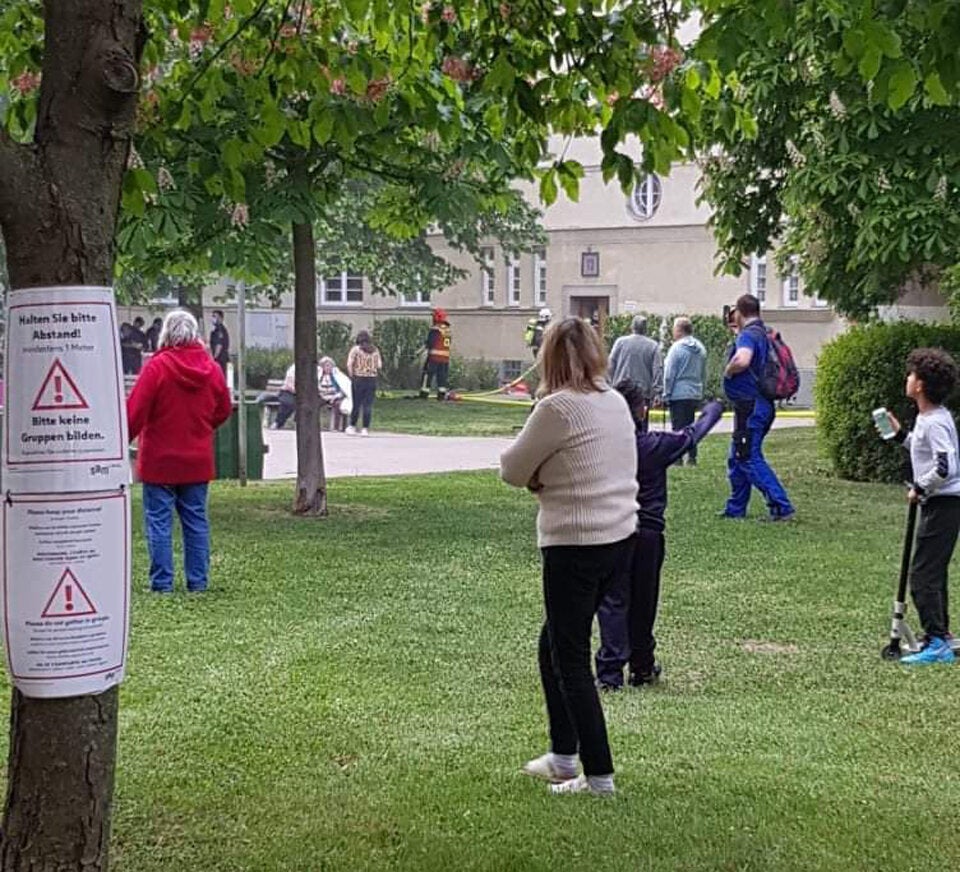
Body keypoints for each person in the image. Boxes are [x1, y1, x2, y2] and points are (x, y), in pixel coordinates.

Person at [500, 317, 638, 796]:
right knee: (553, 642)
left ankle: (598, 776)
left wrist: (540, 473)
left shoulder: (555, 407)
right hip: (620, 539)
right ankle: (562, 755)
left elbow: (512, 470)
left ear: (548, 356)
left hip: (575, 544)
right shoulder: (615, 400)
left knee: (571, 659)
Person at [596, 387, 723, 690]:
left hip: (611, 529)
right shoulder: (653, 445)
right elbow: (692, 434)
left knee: (613, 601)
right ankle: (641, 666)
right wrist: (714, 409)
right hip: (648, 534)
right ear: (642, 411)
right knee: (643, 601)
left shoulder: (603, 447)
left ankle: (610, 672)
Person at [127, 310, 232, 593]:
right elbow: (223, 409)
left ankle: (162, 583)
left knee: (159, 522)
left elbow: (134, 412)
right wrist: (202, 428)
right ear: (195, 333)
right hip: (196, 458)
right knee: (196, 519)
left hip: (159, 460)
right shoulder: (212, 369)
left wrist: (121, 437)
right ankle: (198, 582)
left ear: (167, 334)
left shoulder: (157, 366)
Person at [882, 348, 960, 665]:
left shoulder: (935, 422)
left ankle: (937, 641)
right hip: (941, 504)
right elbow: (921, 448)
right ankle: (942, 634)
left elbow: (945, 467)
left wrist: (919, 486)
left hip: (944, 503)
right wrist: (900, 434)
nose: (908, 378)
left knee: (922, 575)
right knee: (933, 572)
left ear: (921, 385)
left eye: (912, 375)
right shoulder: (928, 419)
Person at [720, 294, 795, 521]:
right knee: (737, 456)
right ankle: (735, 509)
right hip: (759, 405)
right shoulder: (764, 333)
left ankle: (781, 506)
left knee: (748, 457)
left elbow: (743, 360)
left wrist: (728, 371)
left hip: (750, 406)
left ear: (740, 313)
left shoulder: (748, 336)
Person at [663, 316, 707, 466]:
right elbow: (703, 372)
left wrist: (666, 393)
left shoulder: (676, 348)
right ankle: (692, 457)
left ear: (679, 330)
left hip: (678, 392)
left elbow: (669, 374)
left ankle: (677, 457)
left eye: (674, 329)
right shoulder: (700, 348)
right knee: (690, 426)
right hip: (694, 391)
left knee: (678, 427)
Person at [608, 315, 663, 419]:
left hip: (621, 390)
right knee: (641, 425)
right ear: (646, 328)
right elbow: (657, 370)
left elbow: (611, 364)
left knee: (621, 422)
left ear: (632, 327)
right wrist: (657, 393)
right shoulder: (653, 346)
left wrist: (609, 385)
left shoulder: (620, 342)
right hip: (643, 394)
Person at [346, 330, 382, 436]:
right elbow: (379, 365)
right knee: (368, 405)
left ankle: (352, 426)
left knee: (356, 404)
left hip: (358, 378)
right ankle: (365, 428)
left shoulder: (356, 350)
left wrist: (352, 375)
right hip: (371, 379)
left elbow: (349, 364)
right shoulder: (375, 350)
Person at [420, 308, 452, 400]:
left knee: (427, 375)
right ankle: (441, 395)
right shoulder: (447, 330)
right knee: (442, 377)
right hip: (445, 358)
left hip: (434, 357)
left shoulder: (435, 329)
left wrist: (419, 351)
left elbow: (430, 343)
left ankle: (424, 394)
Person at [318, 355, 350, 431]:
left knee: (338, 404)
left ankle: (337, 427)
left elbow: (343, 389)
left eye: (330, 366)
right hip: (322, 396)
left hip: (335, 397)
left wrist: (335, 397)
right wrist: (322, 395)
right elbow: (316, 388)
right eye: (326, 366)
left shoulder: (337, 376)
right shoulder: (319, 376)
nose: (328, 368)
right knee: (314, 404)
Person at [209, 309, 230, 377]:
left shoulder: (219, 329)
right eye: (212, 316)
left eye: (215, 316)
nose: (213, 318)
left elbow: (219, 345)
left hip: (220, 359)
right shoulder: (216, 329)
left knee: (219, 377)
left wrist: (214, 358)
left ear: (221, 318)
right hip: (221, 359)